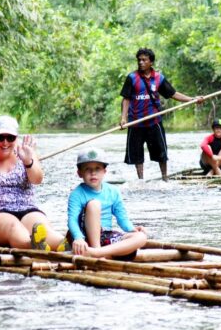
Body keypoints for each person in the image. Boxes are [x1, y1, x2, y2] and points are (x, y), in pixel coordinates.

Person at [0, 115, 67, 252]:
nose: (5, 143)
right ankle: (33, 245)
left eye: (10, 138)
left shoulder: (27, 153)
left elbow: (37, 180)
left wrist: (29, 161)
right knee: (14, 227)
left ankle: (65, 243)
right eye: (0, 138)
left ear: (16, 138)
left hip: (27, 208)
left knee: (42, 226)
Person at [120, 47, 203, 181]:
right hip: (135, 122)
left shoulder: (159, 78)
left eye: (144, 60)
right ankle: (141, 180)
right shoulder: (132, 78)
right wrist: (124, 118)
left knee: (161, 153)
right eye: (139, 60)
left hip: (154, 122)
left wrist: (192, 99)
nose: (141, 62)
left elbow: (173, 94)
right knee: (136, 155)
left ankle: (165, 178)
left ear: (151, 62)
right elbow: (126, 98)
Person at [66, 148, 147, 260]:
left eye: (97, 169)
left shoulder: (113, 191)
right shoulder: (77, 193)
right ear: (79, 173)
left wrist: (132, 229)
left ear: (104, 171)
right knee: (94, 204)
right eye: (88, 169)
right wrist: (78, 238)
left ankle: (97, 253)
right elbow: (72, 220)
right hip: (85, 238)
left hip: (105, 236)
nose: (93, 173)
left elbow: (122, 218)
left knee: (141, 237)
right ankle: (98, 250)